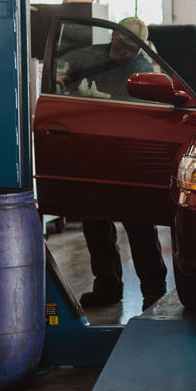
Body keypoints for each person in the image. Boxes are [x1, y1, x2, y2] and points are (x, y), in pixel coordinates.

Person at [68, 17, 169, 311]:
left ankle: (154, 289)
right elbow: (66, 84)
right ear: (113, 35)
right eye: (118, 42)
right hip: (92, 149)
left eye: (128, 48)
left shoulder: (142, 69)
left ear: (138, 49)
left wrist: (103, 97)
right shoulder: (89, 56)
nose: (120, 50)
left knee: (138, 223)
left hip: (126, 153)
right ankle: (107, 286)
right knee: (95, 223)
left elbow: (144, 112)